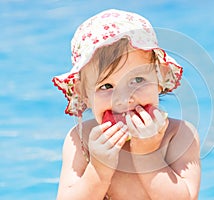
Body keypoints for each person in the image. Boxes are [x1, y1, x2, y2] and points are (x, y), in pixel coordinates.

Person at [52, 9, 200, 200]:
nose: (123, 98)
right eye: (106, 86)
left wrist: (148, 155)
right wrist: (98, 168)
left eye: (137, 80)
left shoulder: (179, 135)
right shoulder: (82, 142)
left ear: (160, 77)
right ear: (83, 95)